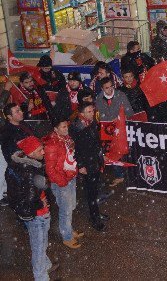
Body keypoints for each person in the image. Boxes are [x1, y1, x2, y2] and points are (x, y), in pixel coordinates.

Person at [6, 136, 56, 281]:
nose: (43, 152)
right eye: (40, 150)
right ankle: (41, 276)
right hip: (37, 215)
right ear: (30, 152)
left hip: (30, 214)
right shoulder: (30, 171)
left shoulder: (16, 165)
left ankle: (46, 265)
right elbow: (30, 199)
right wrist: (42, 204)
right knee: (39, 247)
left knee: (41, 243)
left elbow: (17, 194)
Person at [44, 119, 82, 249]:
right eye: (63, 127)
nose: (66, 129)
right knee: (65, 210)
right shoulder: (51, 145)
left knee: (70, 206)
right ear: (56, 129)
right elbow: (50, 169)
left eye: (67, 126)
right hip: (63, 181)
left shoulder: (66, 139)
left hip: (70, 177)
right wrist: (62, 181)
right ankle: (67, 237)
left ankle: (69, 230)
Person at [70, 101, 107, 231]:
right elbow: (75, 148)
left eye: (93, 111)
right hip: (86, 163)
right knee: (90, 192)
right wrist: (80, 165)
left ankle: (96, 212)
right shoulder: (76, 127)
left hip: (94, 160)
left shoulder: (91, 122)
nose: (93, 113)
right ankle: (94, 218)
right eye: (89, 111)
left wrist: (101, 155)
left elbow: (96, 141)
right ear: (81, 113)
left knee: (95, 189)